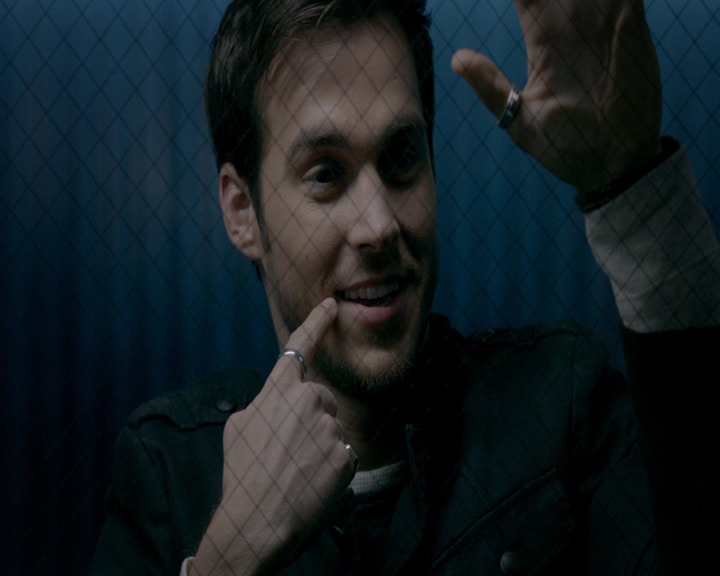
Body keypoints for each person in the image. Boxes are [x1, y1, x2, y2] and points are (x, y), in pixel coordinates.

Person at [90, 0, 720, 574]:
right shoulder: (171, 473)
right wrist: (229, 562)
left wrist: (634, 194)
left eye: (401, 159)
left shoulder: (560, 405)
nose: (380, 225)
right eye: (325, 174)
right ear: (241, 211)